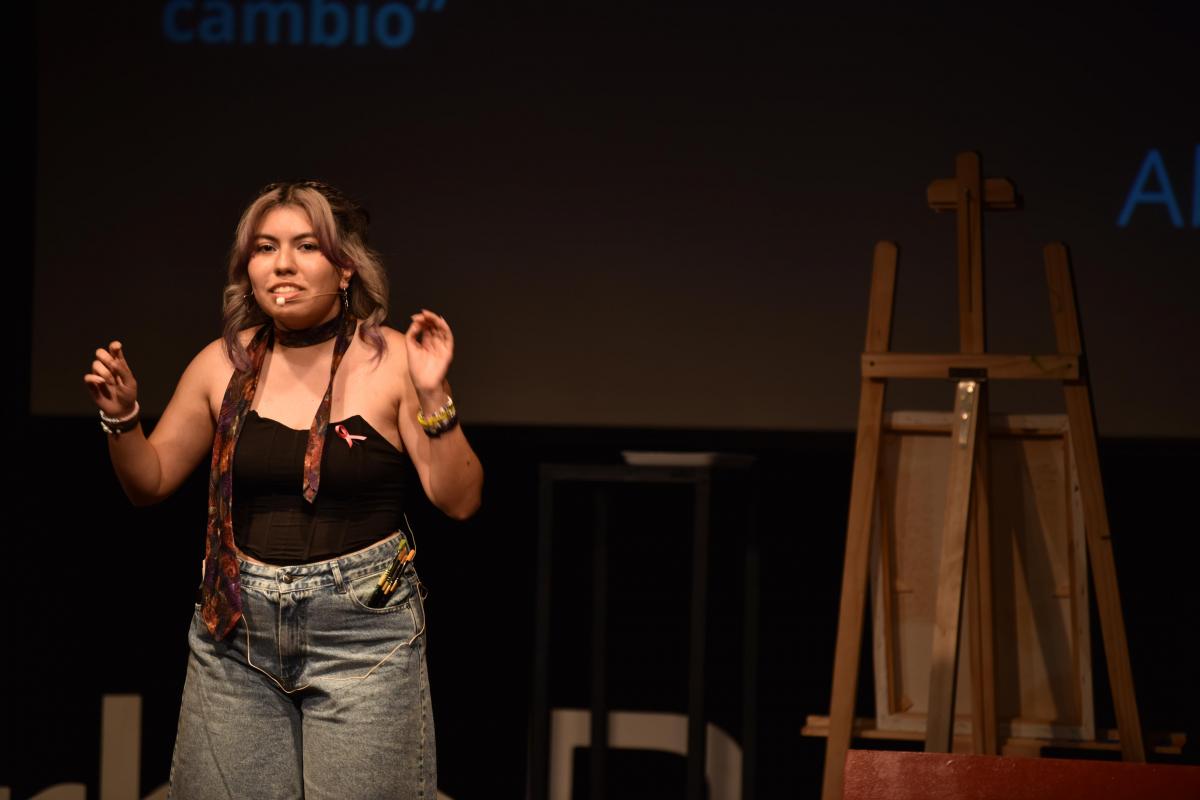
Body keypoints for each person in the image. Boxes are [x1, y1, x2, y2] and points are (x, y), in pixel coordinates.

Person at [84, 180, 482, 799]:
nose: (283, 264)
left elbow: (459, 499)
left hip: (362, 637)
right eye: (265, 247)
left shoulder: (393, 359)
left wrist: (435, 396)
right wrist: (123, 419)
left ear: (345, 267)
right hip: (235, 634)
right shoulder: (224, 363)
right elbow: (149, 481)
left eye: (306, 246)